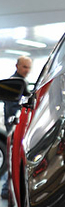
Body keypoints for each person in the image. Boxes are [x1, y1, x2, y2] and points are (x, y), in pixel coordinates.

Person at [1, 56, 32, 199]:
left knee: (15, 159)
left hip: (17, 126)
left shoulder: (22, 83)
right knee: (13, 158)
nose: (27, 70)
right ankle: (7, 190)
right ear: (17, 66)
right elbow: (14, 109)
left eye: (29, 67)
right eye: (24, 67)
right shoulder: (16, 83)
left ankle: (8, 189)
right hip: (15, 126)